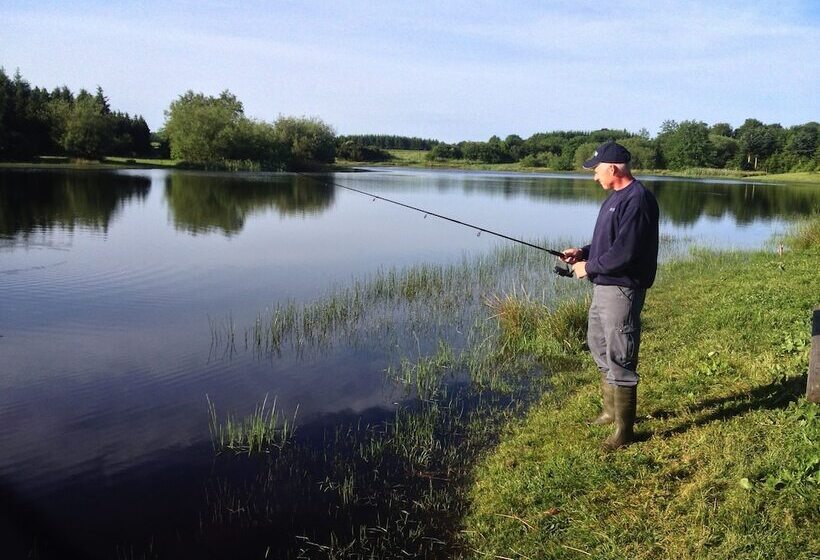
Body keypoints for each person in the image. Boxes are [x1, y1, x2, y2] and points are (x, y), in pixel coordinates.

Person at [561, 141, 659, 451]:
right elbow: (609, 244)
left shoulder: (638, 200)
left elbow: (626, 253)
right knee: (598, 344)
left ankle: (624, 432)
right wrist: (583, 252)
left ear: (613, 168)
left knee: (621, 354)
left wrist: (587, 267)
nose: (594, 177)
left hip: (622, 287)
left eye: (596, 170)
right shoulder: (614, 199)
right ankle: (610, 411)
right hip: (604, 286)